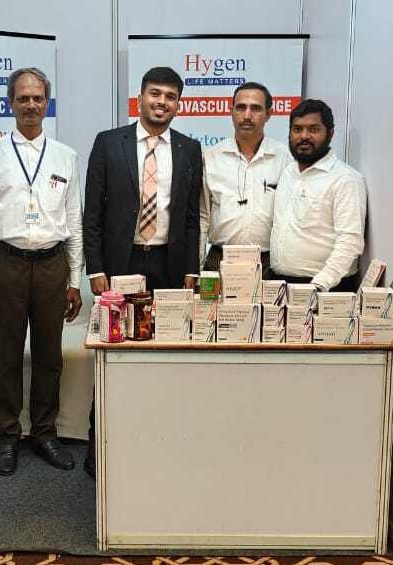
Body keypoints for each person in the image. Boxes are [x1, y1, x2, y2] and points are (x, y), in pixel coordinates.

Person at [83, 66, 203, 477]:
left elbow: (191, 217)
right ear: (140, 97)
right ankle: (99, 448)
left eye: (170, 96)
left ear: (178, 104)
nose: (161, 102)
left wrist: (191, 270)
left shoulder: (189, 149)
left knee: (168, 354)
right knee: (112, 353)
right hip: (122, 263)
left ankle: (160, 443)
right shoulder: (108, 143)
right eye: (155, 93)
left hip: (169, 265)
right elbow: (92, 214)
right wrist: (95, 268)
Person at [0, 67, 83, 475]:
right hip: (6, 264)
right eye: (22, 98)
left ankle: (44, 432)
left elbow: (74, 221)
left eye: (37, 98)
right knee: (7, 355)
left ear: (47, 103)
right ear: (10, 102)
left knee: (48, 355)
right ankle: (8, 434)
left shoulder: (65, 156)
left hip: (51, 266)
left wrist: (74, 280)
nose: (30, 105)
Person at [270, 99, 367, 291]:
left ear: (330, 133)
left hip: (326, 288)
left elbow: (350, 241)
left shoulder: (346, 179)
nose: (304, 136)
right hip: (280, 283)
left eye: (313, 129)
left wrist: (320, 284)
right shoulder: (288, 172)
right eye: (297, 129)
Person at [201, 82, 291, 273]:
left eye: (255, 108)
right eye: (241, 108)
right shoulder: (211, 157)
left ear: (269, 114)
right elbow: (202, 217)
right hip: (219, 259)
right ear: (231, 112)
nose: (247, 115)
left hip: (268, 262)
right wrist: (196, 266)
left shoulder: (284, 159)